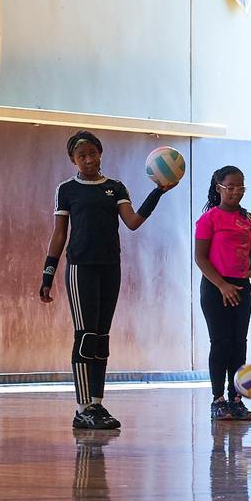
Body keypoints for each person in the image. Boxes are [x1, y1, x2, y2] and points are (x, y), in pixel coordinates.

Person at [38, 131, 173, 431]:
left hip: (110, 267)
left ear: (100, 153)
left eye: (91, 153)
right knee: (85, 337)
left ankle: (97, 403)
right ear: (73, 160)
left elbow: (133, 222)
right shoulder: (67, 189)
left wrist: (158, 192)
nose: (87, 160)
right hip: (80, 268)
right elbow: (60, 233)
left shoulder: (115, 187)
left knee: (101, 338)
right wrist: (48, 272)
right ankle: (83, 407)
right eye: (80, 156)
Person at [195, 165, 251, 421]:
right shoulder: (209, 219)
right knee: (220, 343)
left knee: (238, 343)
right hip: (215, 287)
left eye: (240, 187)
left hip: (241, 287)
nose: (236, 192)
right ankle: (218, 399)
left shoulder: (249, 219)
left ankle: (236, 399)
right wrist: (222, 285)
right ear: (219, 188)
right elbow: (201, 258)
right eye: (230, 187)